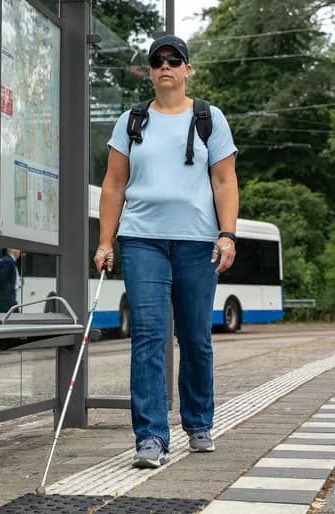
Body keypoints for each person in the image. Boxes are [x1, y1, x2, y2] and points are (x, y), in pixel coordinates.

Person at [93, 34, 239, 469]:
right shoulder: (132, 121)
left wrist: (227, 234)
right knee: (149, 337)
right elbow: (114, 185)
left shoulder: (209, 118)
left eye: (174, 60)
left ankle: (197, 422)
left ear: (187, 69)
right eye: (158, 60)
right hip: (142, 241)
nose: (166, 66)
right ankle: (151, 437)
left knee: (195, 337)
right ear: (149, 71)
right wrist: (105, 241)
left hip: (197, 242)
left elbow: (224, 182)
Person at [0, 248, 22, 313]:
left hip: (8, 297)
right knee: (15, 316)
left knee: (9, 316)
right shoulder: (8, 262)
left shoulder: (9, 261)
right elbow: (1, 279)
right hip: (7, 297)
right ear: (13, 251)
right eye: (18, 249)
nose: (19, 252)